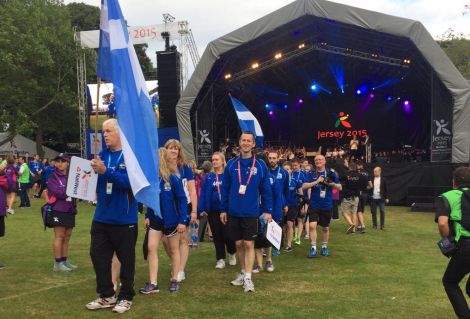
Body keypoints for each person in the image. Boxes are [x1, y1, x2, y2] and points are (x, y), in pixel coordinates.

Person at [86, 119, 138, 314]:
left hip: (124, 219)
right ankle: (107, 294)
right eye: (103, 131)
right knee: (97, 256)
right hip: (101, 217)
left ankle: (126, 296)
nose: (105, 135)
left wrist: (106, 171)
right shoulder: (101, 156)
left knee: (126, 260)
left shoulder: (130, 157)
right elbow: (93, 182)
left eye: (108, 131)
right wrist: (90, 172)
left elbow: (130, 183)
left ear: (119, 133)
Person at [220, 131, 273, 292]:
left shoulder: (260, 165)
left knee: (249, 244)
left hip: (251, 212)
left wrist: (267, 210)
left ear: (253, 144)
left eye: (249, 141)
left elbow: (266, 190)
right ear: (239, 142)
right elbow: (225, 188)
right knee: (238, 244)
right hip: (234, 211)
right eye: (243, 140)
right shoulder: (230, 164)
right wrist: (223, 209)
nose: (246, 143)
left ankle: (249, 278)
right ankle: (243, 272)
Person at [140, 148, 188, 294]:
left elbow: (182, 200)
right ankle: (153, 283)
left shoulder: (173, 178)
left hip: (172, 221)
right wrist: (147, 215)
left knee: (174, 250)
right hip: (155, 220)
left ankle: (174, 279)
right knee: (151, 248)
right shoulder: (152, 180)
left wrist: (182, 221)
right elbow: (150, 200)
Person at [436, 167, 470, 319]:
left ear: (454, 181)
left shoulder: (448, 196)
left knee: (450, 281)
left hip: (465, 245)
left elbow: (443, 223)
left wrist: (448, 241)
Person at [164, 139, 197, 282]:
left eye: (175, 148)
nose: (173, 151)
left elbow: (192, 190)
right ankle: (176, 262)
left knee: (183, 239)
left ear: (179, 151)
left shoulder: (185, 168)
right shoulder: (162, 167)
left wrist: (194, 211)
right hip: (168, 208)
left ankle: (180, 270)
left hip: (185, 206)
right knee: (166, 240)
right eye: (170, 148)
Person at [199, 152, 236, 269]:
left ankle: (231, 252)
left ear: (222, 161)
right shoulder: (209, 177)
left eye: (217, 160)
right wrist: (202, 208)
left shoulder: (228, 175)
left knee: (228, 234)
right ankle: (220, 259)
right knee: (217, 235)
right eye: (213, 160)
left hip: (226, 210)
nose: (214, 162)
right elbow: (203, 193)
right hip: (213, 211)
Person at [302, 155, 341, 258]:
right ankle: (313, 247)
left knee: (325, 228)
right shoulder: (311, 172)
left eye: (320, 159)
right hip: (314, 204)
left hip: (326, 205)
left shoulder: (330, 173)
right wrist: (316, 182)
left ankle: (324, 246)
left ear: (324, 161)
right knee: (312, 226)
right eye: (316, 160)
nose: (318, 161)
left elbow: (339, 187)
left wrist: (330, 183)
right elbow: (304, 185)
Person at [46, 154, 78, 272]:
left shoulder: (72, 176)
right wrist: (71, 190)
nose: (60, 163)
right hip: (58, 209)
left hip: (70, 209)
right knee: (59, 236)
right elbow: (58, 192)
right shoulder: (53, 176)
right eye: (58, 161)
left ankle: (64, 261)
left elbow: (76, 190)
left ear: (68, 163)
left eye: (63, 161)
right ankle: (58, 263)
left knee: (67, 237)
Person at [340, 162, 368, 234]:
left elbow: (339, 180)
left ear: (349, 167)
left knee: (343, 212)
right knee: (354, 213)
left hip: (347, 197)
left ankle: (351, 224)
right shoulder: (360, 175)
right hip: (356, 197)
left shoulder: (346, 174)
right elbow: (365, 183)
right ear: (356, 168)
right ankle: (353, 230)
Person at [282, 161, 303, 251]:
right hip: (281, 206)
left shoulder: (295, 181)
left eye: (288, 169)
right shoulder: (279, 181)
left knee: (290, 224)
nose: (286, 171)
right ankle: (279, 243)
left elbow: (301, 194)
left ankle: (289, 245)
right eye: (284, 169)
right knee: (282, 226)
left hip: (293, 205)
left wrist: (302, 207)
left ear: (291, 170)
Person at [356, 162, 370, 233]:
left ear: (359, 166)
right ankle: (359, 225)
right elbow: (370, 185)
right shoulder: (367, 173)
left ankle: (362, 225)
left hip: (358, 193)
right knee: (361, 210)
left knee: (358, 210)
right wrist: (365, 188)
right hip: (365, 194)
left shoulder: (357, 174)